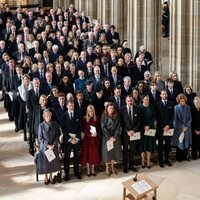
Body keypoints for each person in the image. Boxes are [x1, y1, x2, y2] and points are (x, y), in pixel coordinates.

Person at [37, 109, 61, 185]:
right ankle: (46, 177)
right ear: (44, 117)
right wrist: (48, 145)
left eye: (49, 115)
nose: (48, 117)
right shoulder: (41, 125)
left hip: (53, 147)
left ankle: (51, 176)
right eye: (46, 116)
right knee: (46, 163)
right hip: (45, 148)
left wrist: (53, 144)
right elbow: (40, 138)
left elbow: (57, 135)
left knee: (51, 162)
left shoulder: (54, 124)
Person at [62, 100, 82, 181]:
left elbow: (81, 127)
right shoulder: (64, 115)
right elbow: (63, 129)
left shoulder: (78, 114)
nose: (71, 106)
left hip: (76, 139)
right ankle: (67, 174)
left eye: (72, 105)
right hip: (67, 140)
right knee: (66, 157)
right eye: (69, 105)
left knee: (76, 157)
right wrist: (70, 139)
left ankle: (76, 173)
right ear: (67, 106)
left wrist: (76, 138)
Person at [120, 95, 141, 173]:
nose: (130, 102)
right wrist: (127, 131)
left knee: (132, 150)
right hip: (125, 134)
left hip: (134, 133)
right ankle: (125, 166)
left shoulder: (137, 109)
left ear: (133, 101)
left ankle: (131, 166)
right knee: (125, 150)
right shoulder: (122, 109)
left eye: (131, 100)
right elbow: (121, 122)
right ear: (126, 101)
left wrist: (134, 130)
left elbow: (139, 121)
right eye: (128, 101)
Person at [101, 102, 122, 175]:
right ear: (107, 109)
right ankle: (107, 168)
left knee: (114, 152)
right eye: (110, 108)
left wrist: (115, 136)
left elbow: (118, 127)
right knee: (107, 153)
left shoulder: (116, 116)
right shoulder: (104, 116)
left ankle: (113, 167)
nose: (111, 110)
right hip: (107, 137)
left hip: (115, 137)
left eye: (112, 108)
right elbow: (103, 128)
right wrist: (109, 137)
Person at [80, 105, 101, 176]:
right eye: (89, 111)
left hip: (95, 139)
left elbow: (99, 128)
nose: (91, 113)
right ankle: (88, 169)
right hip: (87, 139)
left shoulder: (97, 118)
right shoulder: (84, 119)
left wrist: (96, 133)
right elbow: (84, 130)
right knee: (87, 155)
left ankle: (92, 169)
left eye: (92, 111)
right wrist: (90, 135)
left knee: (94, 155)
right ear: (87, 112)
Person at [155, 89, 174, 167]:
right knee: (160, 145)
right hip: (161, 128)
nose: (165, 95)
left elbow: (173, 116)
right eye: (163, 94)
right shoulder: (157, 104)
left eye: (166, 94)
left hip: (169, 128)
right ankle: (161, 160)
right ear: (160, 95)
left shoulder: (171, 103)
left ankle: (166, 159)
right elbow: (157, 117)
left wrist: (168, 125)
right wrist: (163, 126)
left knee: (167, 144)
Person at [172, 94, 192, 162]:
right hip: (179, 128)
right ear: (179, 101)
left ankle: (185, 156)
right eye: (181, 101)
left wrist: (186, 126)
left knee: (186, 142)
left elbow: (190, 118)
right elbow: (175, 119)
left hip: (187, 128)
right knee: (179, 142)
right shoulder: (175, 108)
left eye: (183, 101)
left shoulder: (188, 107)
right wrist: (182, 126)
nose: (182, 102)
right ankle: (178, 156)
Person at [139, 95, 156, 168]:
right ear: (142, 100)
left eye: (147, 99)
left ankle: (148, 161)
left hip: (150, 128)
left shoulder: (152, 106)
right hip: (142, 129)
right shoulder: (139, 107)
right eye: (145, 99)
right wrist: (144, 126)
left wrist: (149, 125)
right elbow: (139, 118)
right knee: (143, 146)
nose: (146, 101)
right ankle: (143, 161)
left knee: (149, 145)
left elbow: (154, 117)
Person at [18, 74, 32, 141]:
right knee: (24, 121)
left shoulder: (31, 86)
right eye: (24, 79)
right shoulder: (20, 88)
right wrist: (25, 103)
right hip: (23, 107)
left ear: (29, 80)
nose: (26, 80)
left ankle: (31, 134)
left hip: (30, 106)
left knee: (30, 121)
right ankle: (25, 135)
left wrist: (29, 104)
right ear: (23, 80)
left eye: (27, 79)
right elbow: (19, 99)